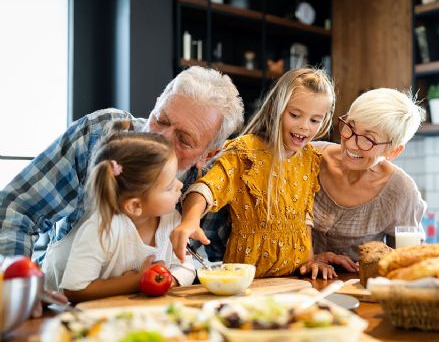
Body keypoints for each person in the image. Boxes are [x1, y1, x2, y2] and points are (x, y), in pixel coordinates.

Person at [0, 66, 244, 262]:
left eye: (184, 140)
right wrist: (20, 282)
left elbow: (222, 260)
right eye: (161, 119)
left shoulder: (210, 184)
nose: (160, 138)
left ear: (208, 154)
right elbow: (16, 210)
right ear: (157, 103)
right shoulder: (98, 133)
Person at [171, 68, 337, 279]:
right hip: (247, 281)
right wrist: (189, 221)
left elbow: (304, 219)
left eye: (315, 120)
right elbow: (205, 189)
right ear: (276, 108)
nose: (305, 127)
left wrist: (311, 261)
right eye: (295, 115)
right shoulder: (245, 152)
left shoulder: (310, 159)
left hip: (296, 277)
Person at [42, 127, 195, 303]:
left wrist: (170, 280)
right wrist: (137, 281)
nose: (180, 185)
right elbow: (74, 290)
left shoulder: (172, 219)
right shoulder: (102, 229)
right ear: (135, 205)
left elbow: (186, 267)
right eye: (169, 186)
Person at [311, 88, 427, 271]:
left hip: (358, 291)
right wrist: (311, 258)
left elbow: (407, 263)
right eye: (350, 126)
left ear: (393, 151)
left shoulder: (400, 191)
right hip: (291, 287)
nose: (350, 143)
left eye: (368, 139)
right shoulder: (309, 158)